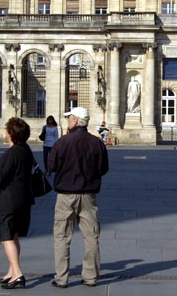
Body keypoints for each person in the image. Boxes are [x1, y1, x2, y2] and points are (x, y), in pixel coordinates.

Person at [47, 107, 109, 288]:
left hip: (66, 195)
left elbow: (51, 165)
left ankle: (61, 277)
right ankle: (90, 276)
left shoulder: (62, 142)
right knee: (91, 236)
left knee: (62, 236)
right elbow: (103, 168)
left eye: (69, 118)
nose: (68, 121)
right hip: (88, 195)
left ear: (75, 121)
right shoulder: (96, 143)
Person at [0, 117, 34, 290]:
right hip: (23, 199)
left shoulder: (11, 153)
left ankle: (18, 274)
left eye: (7, 130)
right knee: (14, 236)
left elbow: (0, 178)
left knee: (6, 237)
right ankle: (11, 271)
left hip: (9, 201)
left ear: (11, 134)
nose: (5, 133)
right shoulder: (26, 150)